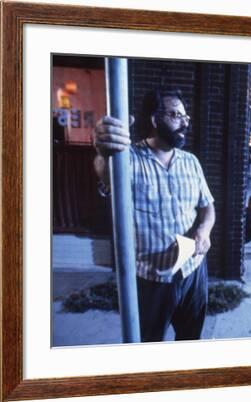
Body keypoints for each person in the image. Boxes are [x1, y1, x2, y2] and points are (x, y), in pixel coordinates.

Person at [93, 88, 215, 343]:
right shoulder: (129, 159)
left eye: (186, 117)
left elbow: (207, 207)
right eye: (176, 115)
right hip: (151, 279)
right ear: (154, 119)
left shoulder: (191, 161)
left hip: (193, 270)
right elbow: (105, 173)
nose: (184, 122)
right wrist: (104, 152)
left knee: (191, 339)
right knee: (149, 344)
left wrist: (204, 230)